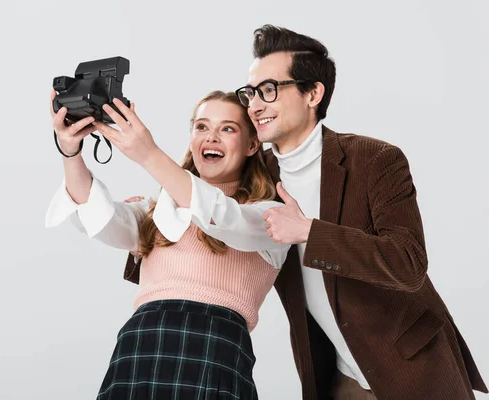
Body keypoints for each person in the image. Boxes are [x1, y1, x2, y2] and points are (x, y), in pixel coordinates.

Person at [123, 25, 488, 399]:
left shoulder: (374, 159)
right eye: (251, 93)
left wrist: (309, 232)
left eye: (269, 90)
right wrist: (153, 221)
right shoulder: (257, 172)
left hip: (412, 369)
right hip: (338, 378)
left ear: (313, 93)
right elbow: (215, 211)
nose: (255, 105)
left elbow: (408, 263)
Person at [45, 89, 294, 399]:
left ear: (252, 144)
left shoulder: (272, 217)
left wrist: (149, 154)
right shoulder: (157, 211)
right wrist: (70, 151)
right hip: (141, 343)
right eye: (201, 126)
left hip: (214, 348)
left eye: (227, 128)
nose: (211, 137)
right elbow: (98, 216)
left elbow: (220, 216)